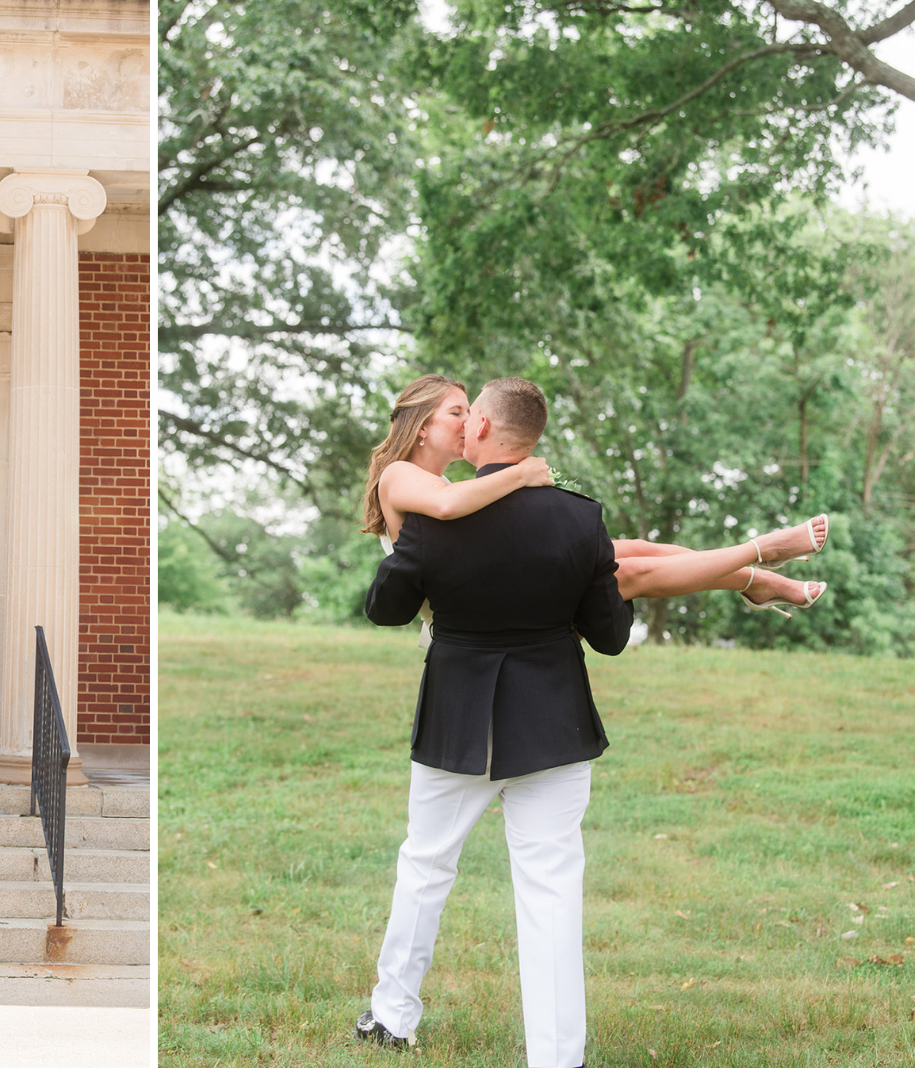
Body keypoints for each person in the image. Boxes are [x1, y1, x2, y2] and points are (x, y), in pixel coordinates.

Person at [352, 377, 822, 1066]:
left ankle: (393, 1017)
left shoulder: (430, 521)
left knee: (425, 866)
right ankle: (556, 1057)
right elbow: (607, 636)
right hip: (554, 723)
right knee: (550, 891)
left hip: (459, 721)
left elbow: (389, 605)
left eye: (465, 412)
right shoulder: (572, 517)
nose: (460, 423)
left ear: (482, 428)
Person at [362, 374, 828, 623]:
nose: (469, 423)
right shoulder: (400, 475)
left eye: (470, 412)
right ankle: (763, 554)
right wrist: (523, 471)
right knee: (631, 570)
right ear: (421, 425)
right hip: (473, 611)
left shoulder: (447, 483)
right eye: (456, 412)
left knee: (636, 550)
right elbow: (446, 510)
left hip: (494, 581)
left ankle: (753, 580)